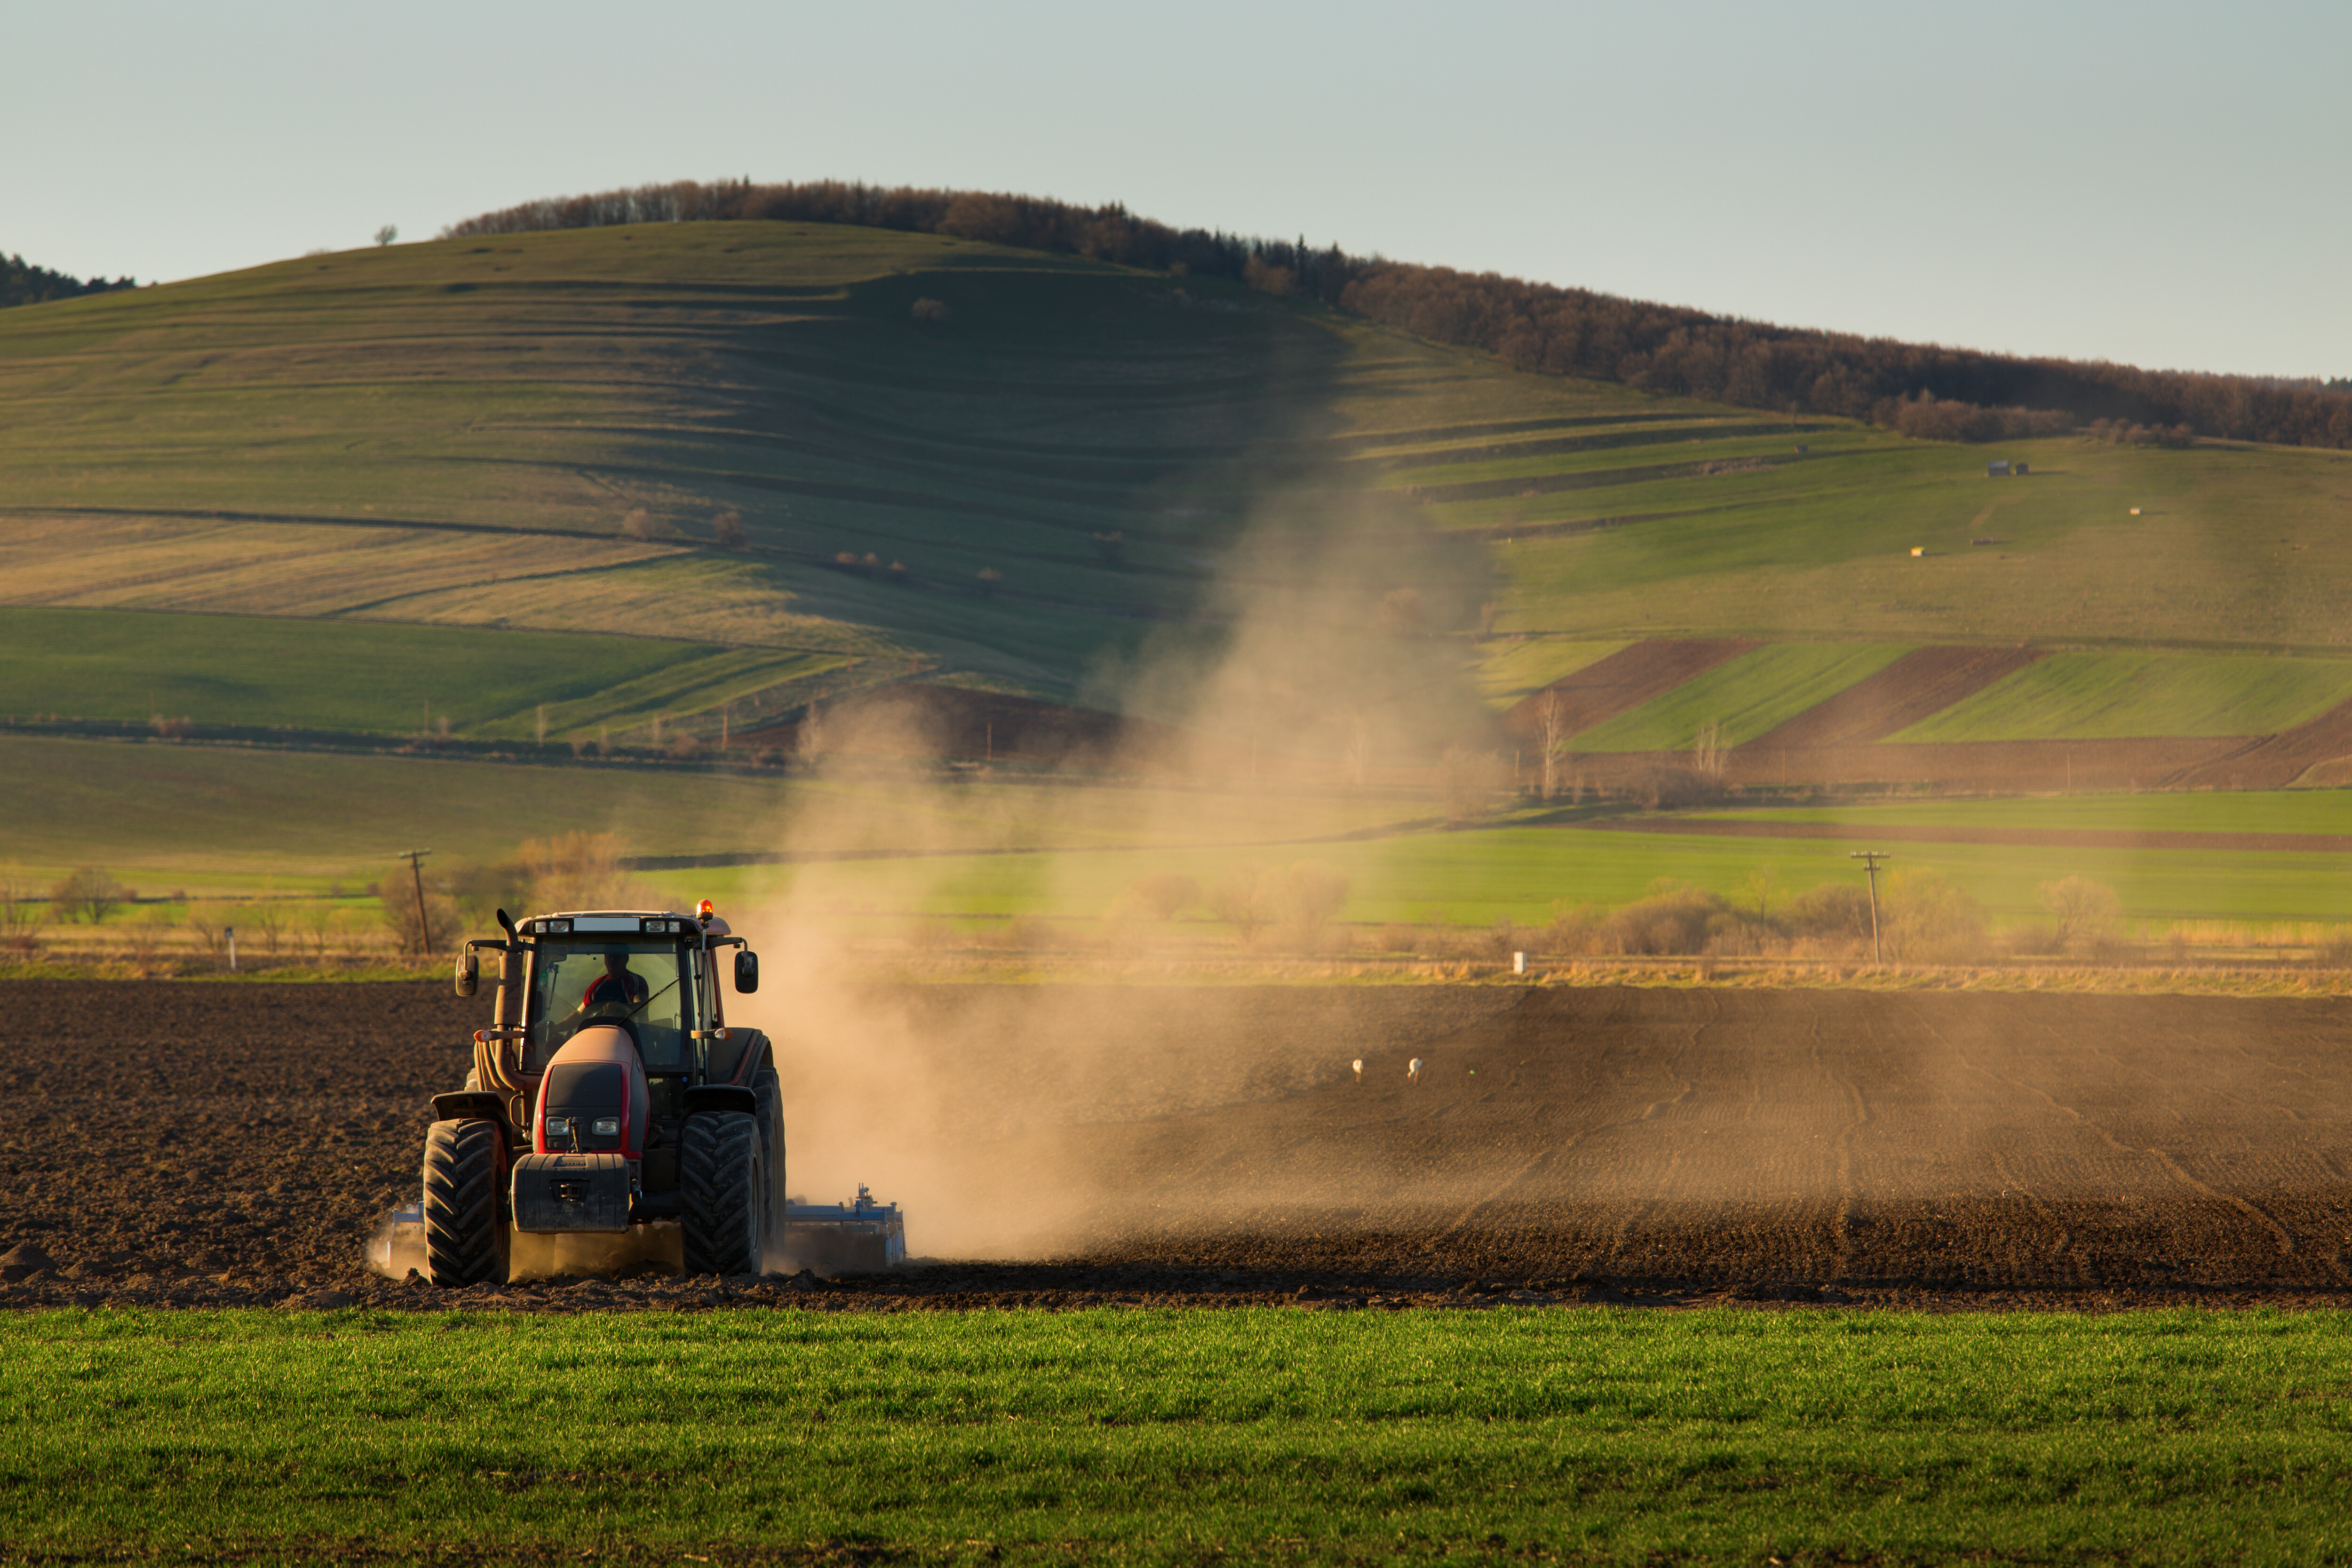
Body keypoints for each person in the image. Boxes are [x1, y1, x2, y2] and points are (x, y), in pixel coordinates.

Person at [571, 950, 651, 1020]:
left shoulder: (634, 981)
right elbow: (580, 1015)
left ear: (626, 958)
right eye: (610, 956)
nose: (613, 960)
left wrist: (619, 1007)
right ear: (605, 958)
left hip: (633, 1034)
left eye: (617, 956)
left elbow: (642, 1007)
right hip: (601, 1034)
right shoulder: (597, 985)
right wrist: (559, 1028)